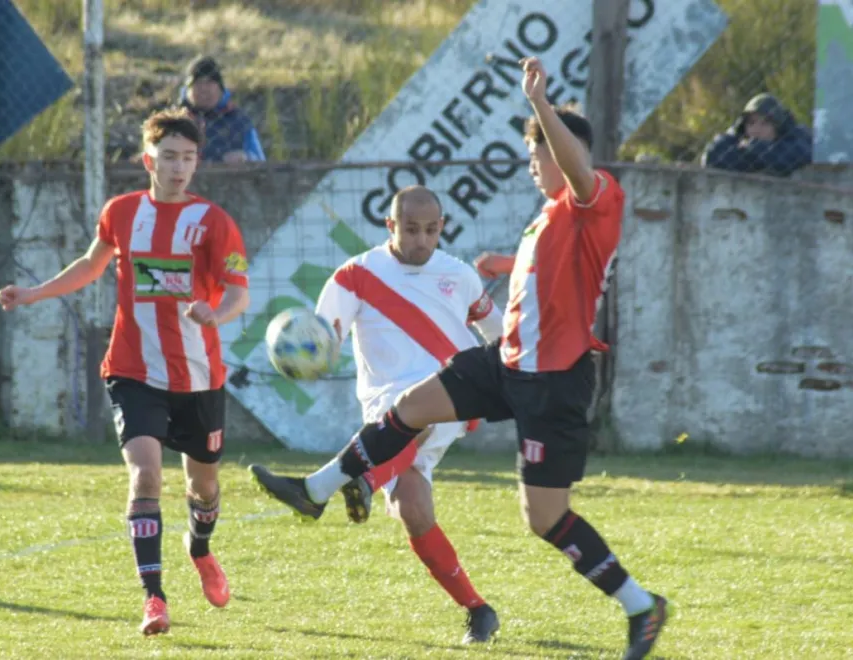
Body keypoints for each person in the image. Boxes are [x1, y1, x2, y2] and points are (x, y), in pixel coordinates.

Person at [249, 58, 669, 660]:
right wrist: (505, 268)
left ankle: (639, 605)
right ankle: (315, 491)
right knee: (408, 406)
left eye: (540, 150)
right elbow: (550, 285)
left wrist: (541, 106)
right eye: (532, 149)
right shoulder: (547, 218)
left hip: (553, 382)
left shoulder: (596, 198)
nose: (533, 160)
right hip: (509, 364)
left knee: (544, 518)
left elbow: (580, 179)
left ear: (569, 150)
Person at [0, 108, 250, 636]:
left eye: (188, 158)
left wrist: (214, 313)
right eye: (169, 157)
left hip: (198, 377)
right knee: (146, 475)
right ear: (148, 160)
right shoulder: (122, 213)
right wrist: (34, 292)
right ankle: (154, 598)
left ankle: (200, 549)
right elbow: (91, 265)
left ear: (197, 162)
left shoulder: (214, 221)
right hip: (133, 371)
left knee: (203, 487)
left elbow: (239, 292)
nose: (179, 167)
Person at [315, 185, 503, 644]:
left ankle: (358, 479)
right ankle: (478, 609)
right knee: (414, 513)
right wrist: (315, 349)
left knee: (416, 415)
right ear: (390, 226)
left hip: (449, 400)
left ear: (441, 228)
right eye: (411, 230)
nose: (421, 240)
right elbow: (325, 332)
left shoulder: (459, 276)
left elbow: (498, 333)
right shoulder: (355, 275)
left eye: (431, 230)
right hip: (381, 411)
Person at [178, 55, 266, 165]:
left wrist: (246, 157)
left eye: (209, 82)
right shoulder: (173, 120)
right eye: (198, 83)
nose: (204, 89)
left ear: (220, 88)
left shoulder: (239, 120)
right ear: (187, 90)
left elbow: (260, 159)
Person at [701, 92, 812, 177]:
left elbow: (795, 155)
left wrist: (752, 148)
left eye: (765, 123)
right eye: (751, 123)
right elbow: (712, 155)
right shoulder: (736, 134)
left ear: (778, 126)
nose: (756, 130)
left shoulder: (795, 136)